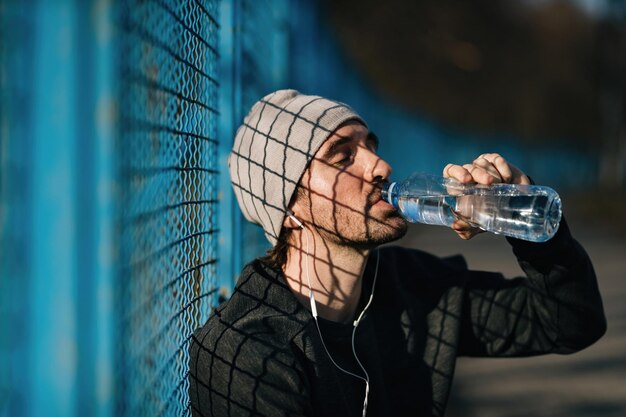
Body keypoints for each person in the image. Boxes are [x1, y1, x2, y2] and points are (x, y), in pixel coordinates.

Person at [189, 89, 606, 417]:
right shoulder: (244, 351)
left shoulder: (411, 286)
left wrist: (527, 225)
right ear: (289, 206)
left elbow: (571, 323)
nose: (380, 165)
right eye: (343, 157)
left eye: (370, 146)